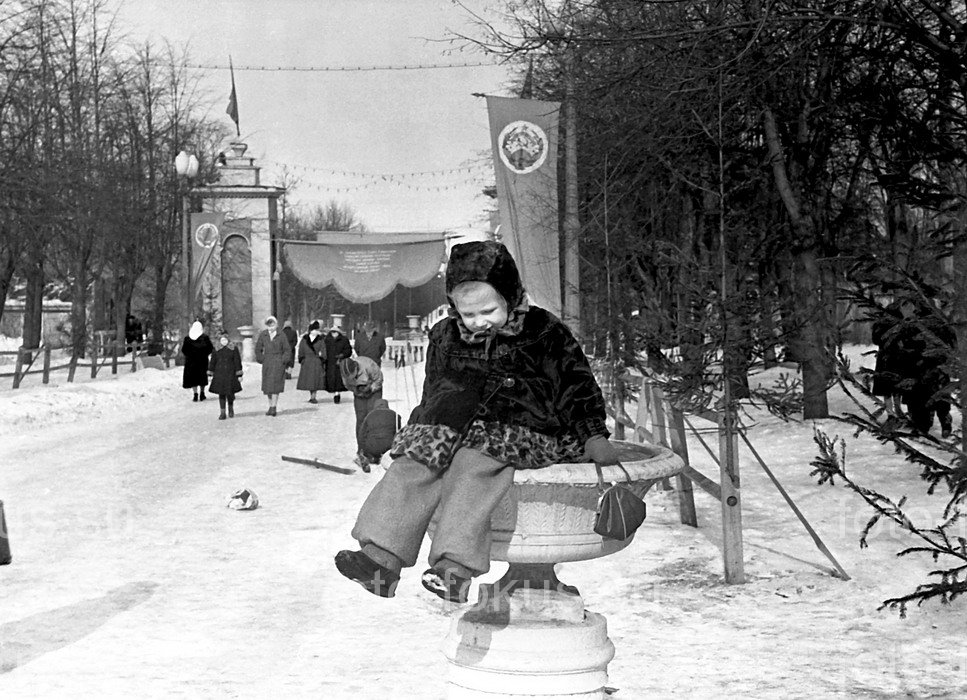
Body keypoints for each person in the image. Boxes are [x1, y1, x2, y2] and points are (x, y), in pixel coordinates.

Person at [334, 240, 619, 602]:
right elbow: (434, 385)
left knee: (472, 470)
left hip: (518, 427)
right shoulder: (444, 335)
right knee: (412, 465)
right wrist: (419, 429)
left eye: (489, 310)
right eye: (469, 314)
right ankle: (380, 560)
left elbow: (576, 385)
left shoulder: (543, 331)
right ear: (454, 307)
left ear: (511, 296)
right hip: (448, 422)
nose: (479, 322)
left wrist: (591, 434)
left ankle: (454, 569)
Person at [338, 355, 385, 472]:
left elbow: (379, 378)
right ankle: (362, 451)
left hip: (374, 391)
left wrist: (371, 389)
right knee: (361, 420)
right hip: (359, 393)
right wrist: (357, 391)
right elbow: (347, 385)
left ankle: (375, 451)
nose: (352, 378)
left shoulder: (367, 365)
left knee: (372, 418)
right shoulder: (345, 375)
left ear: (356, 368)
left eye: (353, 375)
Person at [255, 315, 291, 416]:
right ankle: (270, 405)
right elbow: (258, 348)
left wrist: (283, 360)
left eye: (273, 324)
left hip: (278, 362)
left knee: (276, 385)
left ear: (276, 324)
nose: (271, 327)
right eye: (269, 325)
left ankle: (274, 407)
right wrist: (261, 358)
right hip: (267, 362)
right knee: (268, 387)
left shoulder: (281, 335)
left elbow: (287, 350)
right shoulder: (263, 335)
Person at [357, 398, 401, 470]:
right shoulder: (395, 415)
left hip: (372, 446)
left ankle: (372, 457)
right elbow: (398, 433)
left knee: (373, 446)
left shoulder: (369, 415)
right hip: (389, 446)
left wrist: (362, 450)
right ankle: (385, 457)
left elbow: (361, 435)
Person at [208, 332, 243, 420]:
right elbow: (212, 361)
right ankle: (222, 412)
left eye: (225, 340)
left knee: (230, 393)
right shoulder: (216, 349)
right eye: (222, 340)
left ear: (228, 340)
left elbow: (237, 361)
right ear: (219, 341)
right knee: (221, 394)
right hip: (219, 375)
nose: (224, 342)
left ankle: (230, 408)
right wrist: (210, 372)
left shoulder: (233, 349)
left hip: (230, 374)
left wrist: (239, 374)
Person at [181, 321, 214, 402]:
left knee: (193, 378)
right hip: (202, 361)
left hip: (191, 362)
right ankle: (202, 393)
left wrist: (190, 355)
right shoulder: (205, 338)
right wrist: (204, 354)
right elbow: (210, 348)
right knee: (202, 377)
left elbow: (184, 350)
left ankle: (195, 394)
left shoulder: (187, 338)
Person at [297, 320, 327, 403]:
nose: (316, 331)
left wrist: (322, 358)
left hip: (316, 361)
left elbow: (323, 350)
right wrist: (301, 358)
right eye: (315, 330)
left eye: (317, 330)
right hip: (307, 361)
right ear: (311, 330)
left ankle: (313, 396)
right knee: (309, 380)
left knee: (315, 380)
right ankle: (312, 395)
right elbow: (301, 349)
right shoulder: (305, 339)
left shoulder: (320, 339)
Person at [323, 324, 353, 403]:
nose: (334, 333)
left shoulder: (344, 340)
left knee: (339, 380)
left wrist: (342, 355)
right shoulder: (326, 340)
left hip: (340, 362)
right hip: (329, 362)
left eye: (335, 332)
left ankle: (337, 394)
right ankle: (334, 392)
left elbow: (348, 350)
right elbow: (323, 350)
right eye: (332, 332)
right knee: (331, 379)